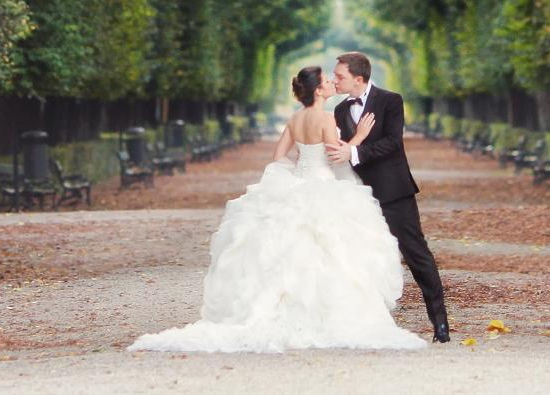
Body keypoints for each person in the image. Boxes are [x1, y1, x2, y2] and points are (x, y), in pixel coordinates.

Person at [128, 66, 426, 353]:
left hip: (300, 180)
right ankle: (320, 311)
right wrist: (359, 137)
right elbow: (337, 155)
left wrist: (298, 172)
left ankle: (289, 309)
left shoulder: (295, 119)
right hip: (324, 185)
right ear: (318, 91)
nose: (332, 83)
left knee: (290, 251)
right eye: (326, 81)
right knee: (331, 249)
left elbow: (278, 156)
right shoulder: (325, 118)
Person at [327, 51, 450, 343]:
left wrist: (354, 151)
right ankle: (364, 323)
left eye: (340, 76)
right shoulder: (340, 110)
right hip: (357, 194)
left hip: (393, 191)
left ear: (358, 78)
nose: (335, 80)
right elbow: (341, 150)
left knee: (416, 253)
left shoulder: (391, 100)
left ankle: (440, 322)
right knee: (355, 256)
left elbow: (393, 143)